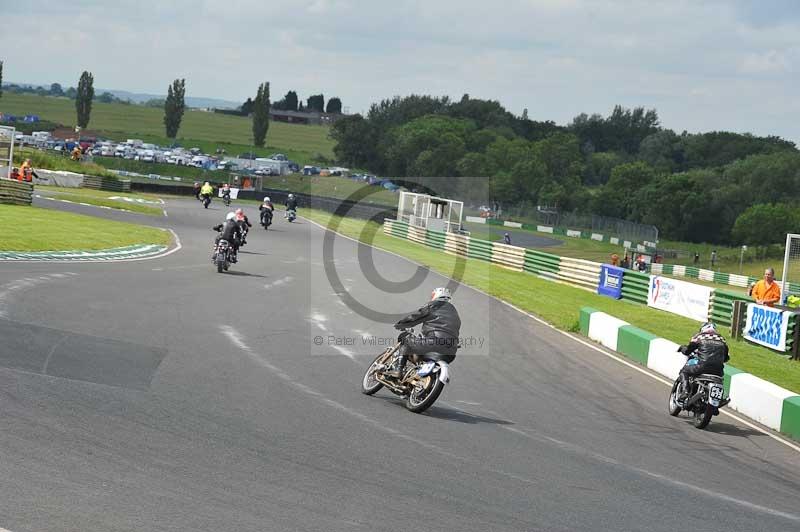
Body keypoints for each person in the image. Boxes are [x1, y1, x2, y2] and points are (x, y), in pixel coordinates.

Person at [385, 287, 462, 380]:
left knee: (405, 340)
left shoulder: (434, 305)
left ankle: (398, 369)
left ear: (436, 295)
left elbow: (416, 316)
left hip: (432, 342)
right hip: (451, 351)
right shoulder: (455, 314)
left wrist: (401, 324)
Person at [677, 322, 729, 403]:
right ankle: (719, 399)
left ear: (703, 329)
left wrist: (682, 348)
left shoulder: (699, 337)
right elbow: (726, 358)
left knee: (684, 371)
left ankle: (685, 391)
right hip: (718, 371)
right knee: (719, 381)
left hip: (701, 367)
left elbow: (688, 351)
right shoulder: (722, 340)